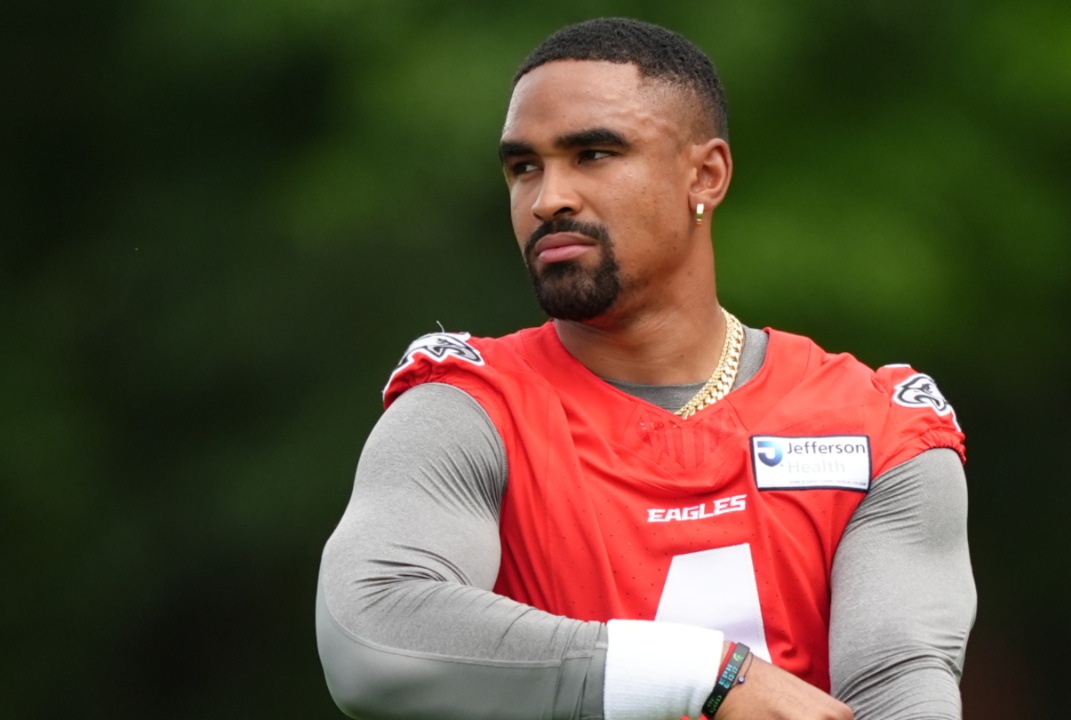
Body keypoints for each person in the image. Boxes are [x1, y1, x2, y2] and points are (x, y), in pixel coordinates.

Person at [317, 17, 976, 720]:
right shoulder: (467, 408)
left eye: (594, 154)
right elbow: (373, 631)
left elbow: (898, 685)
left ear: (706, 175)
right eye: (524, 167)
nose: (548, 199)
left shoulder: (875, 425)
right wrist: (706, 676)